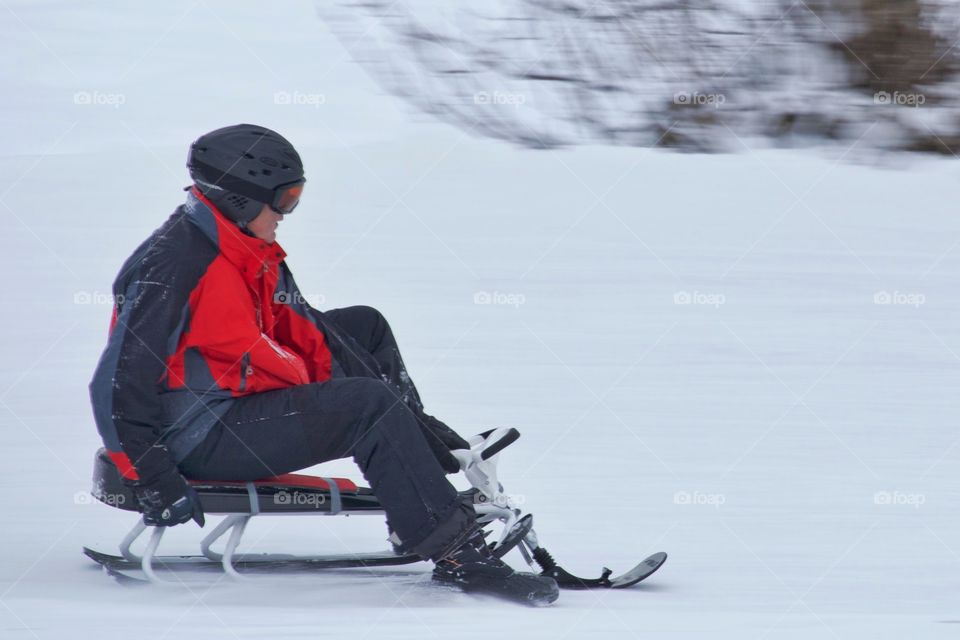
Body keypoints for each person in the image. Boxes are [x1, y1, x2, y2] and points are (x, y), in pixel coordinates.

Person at [88, 124, 558, 603]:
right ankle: (458, 554)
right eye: (284, 199)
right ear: (238, 200)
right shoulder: (175, 265)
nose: (286, 213)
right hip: (193, 436)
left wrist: (424, 432)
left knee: (364, 326)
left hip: (230, 405)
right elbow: (115, 381)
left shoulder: (245, 248)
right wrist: (153, 474)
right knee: (366, 405)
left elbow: (313, 337)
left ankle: (416, 497)